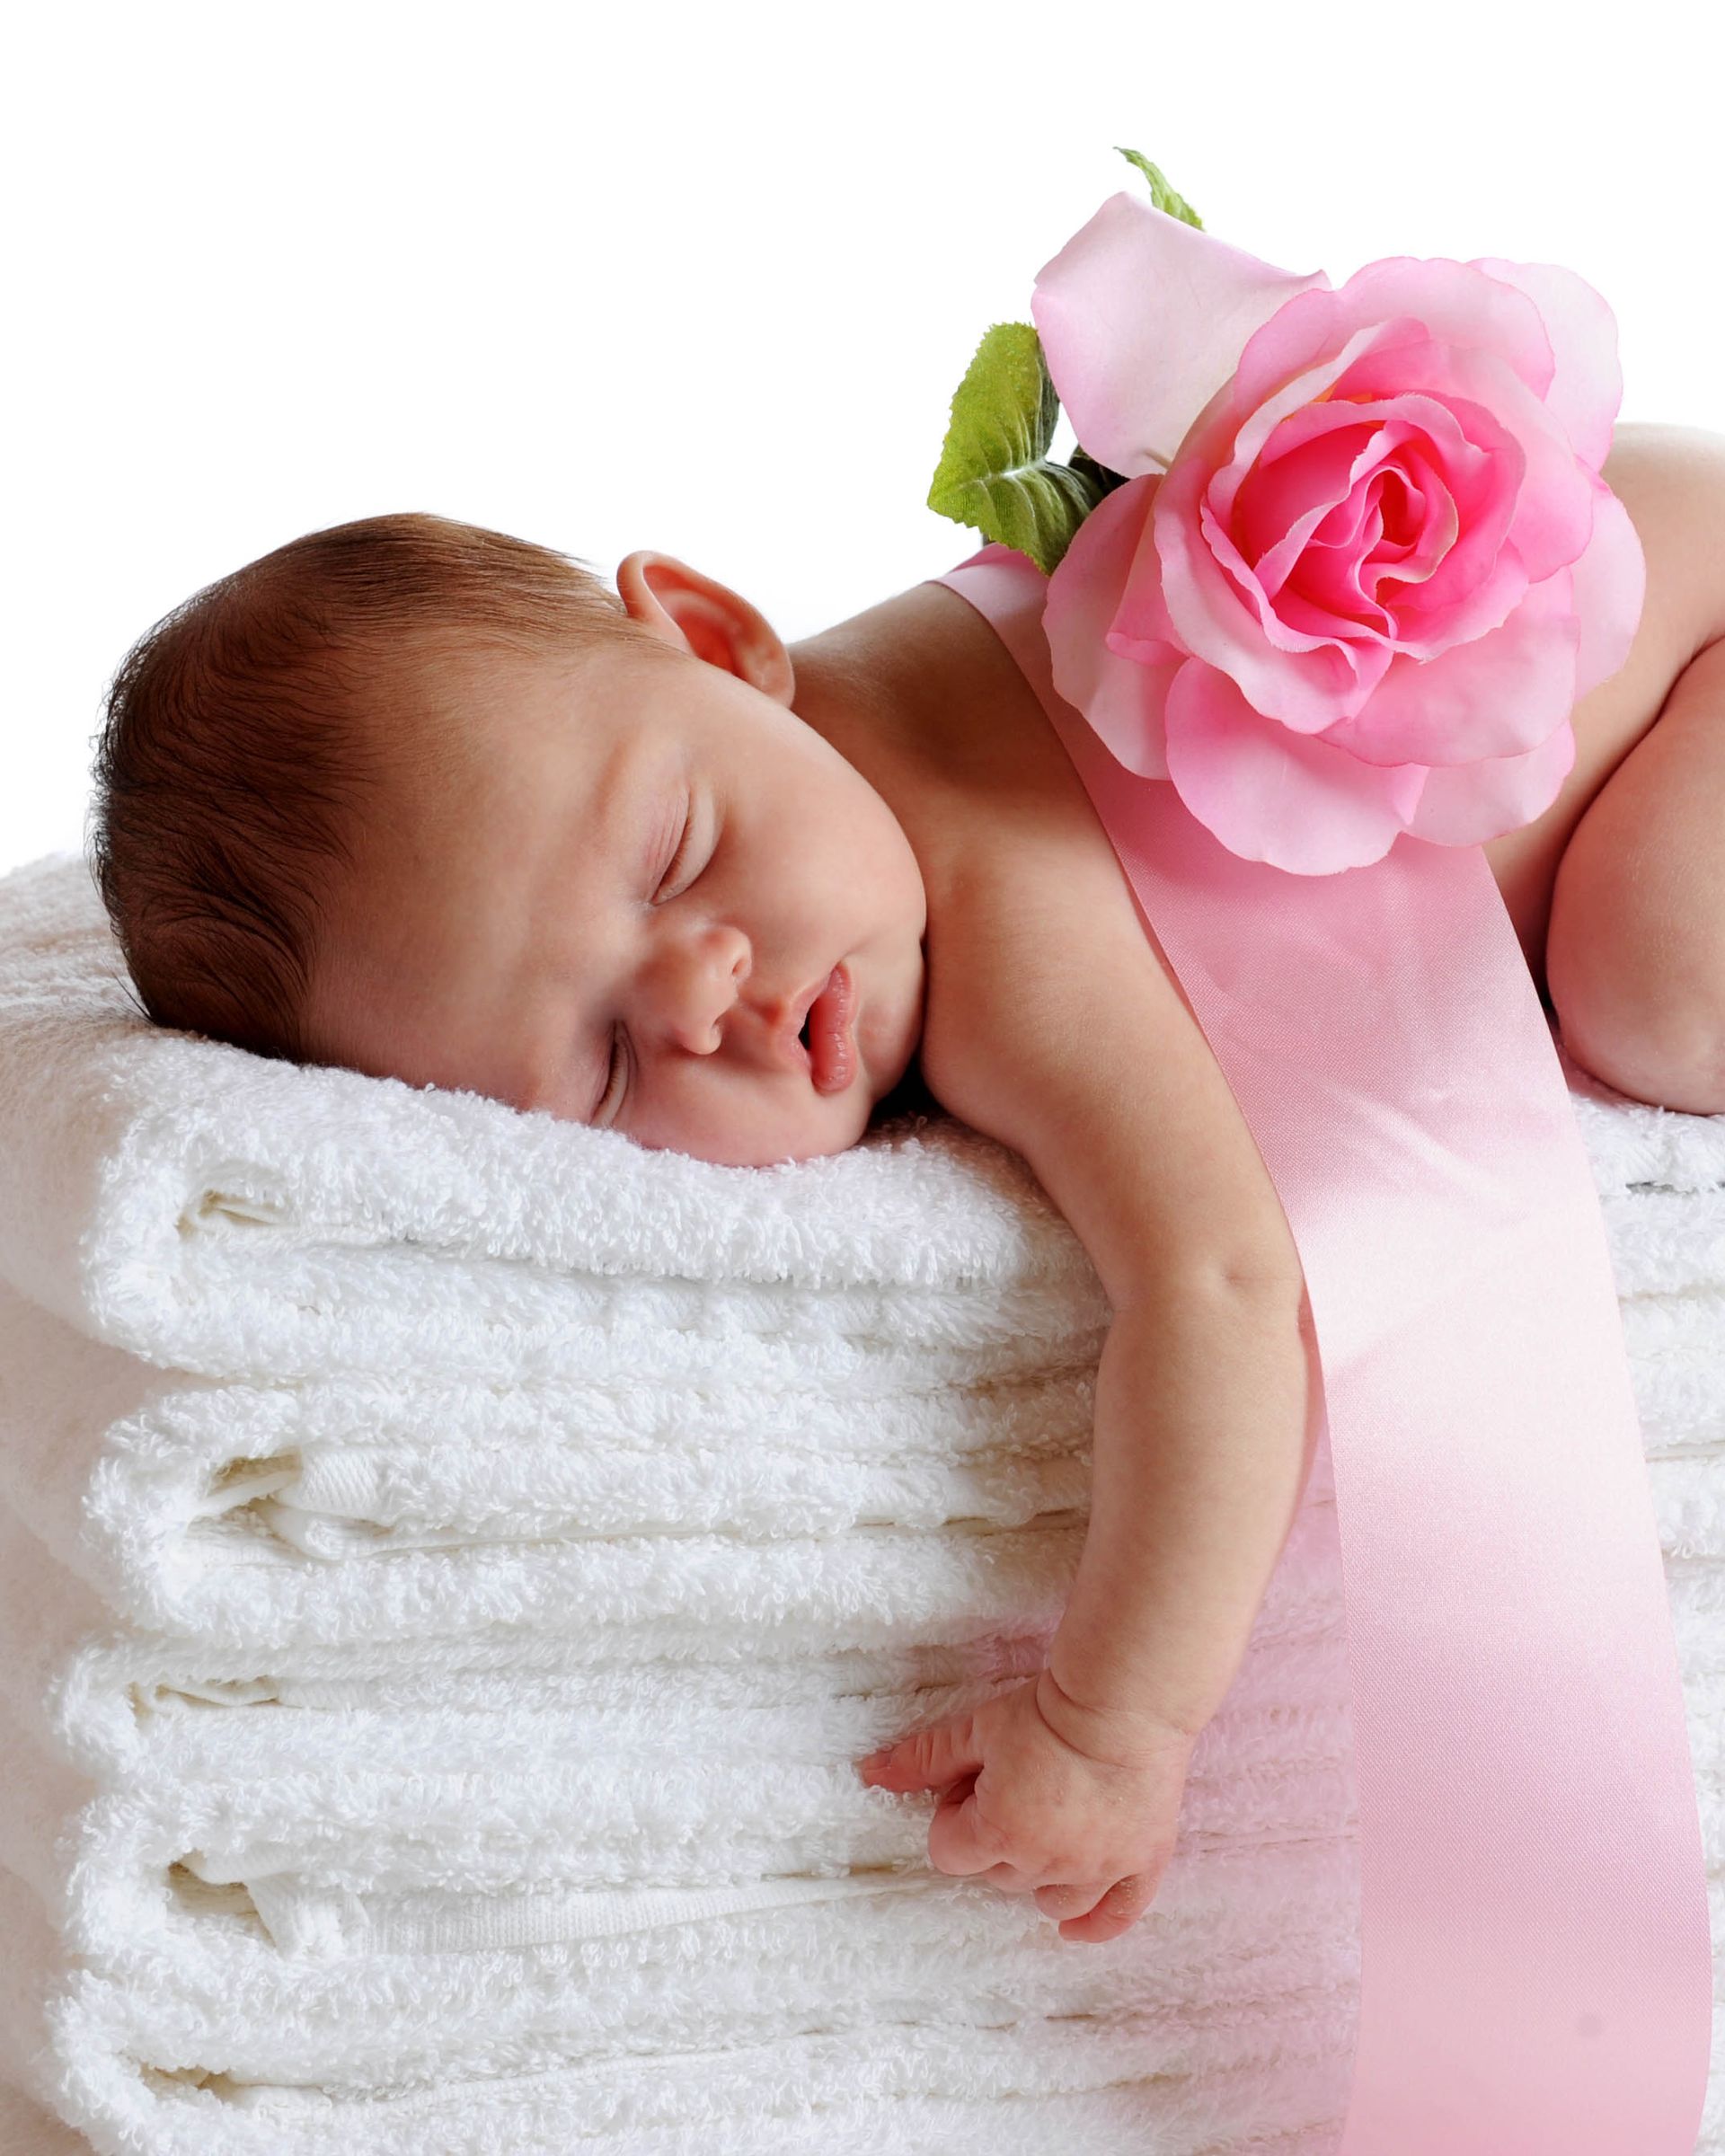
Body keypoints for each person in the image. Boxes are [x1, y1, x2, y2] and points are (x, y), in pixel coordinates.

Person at [86, 423, 1725, 1939]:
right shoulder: (793, 797)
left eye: (674, 856)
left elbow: (1231, 1280)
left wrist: (1107, 1725)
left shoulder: (1003, 896)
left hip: (1696, 650)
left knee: (1658, 983)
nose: (702, 988)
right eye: (597, 1067)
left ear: (722, 644)